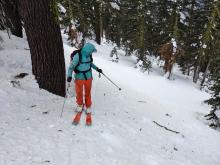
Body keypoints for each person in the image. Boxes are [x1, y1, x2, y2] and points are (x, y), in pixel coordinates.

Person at [67, 43, 102, 115]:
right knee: (79, 92)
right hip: (79, 77)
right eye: (91, 51)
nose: (92, 53)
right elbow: (71, 67)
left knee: (88, 92)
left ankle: (88, 106)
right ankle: (80, 105)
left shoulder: (89, 55)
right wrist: (69, 75)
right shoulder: (78, 56)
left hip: (88, 76)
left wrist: (97, 69)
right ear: (88, 50)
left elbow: (90, 64)